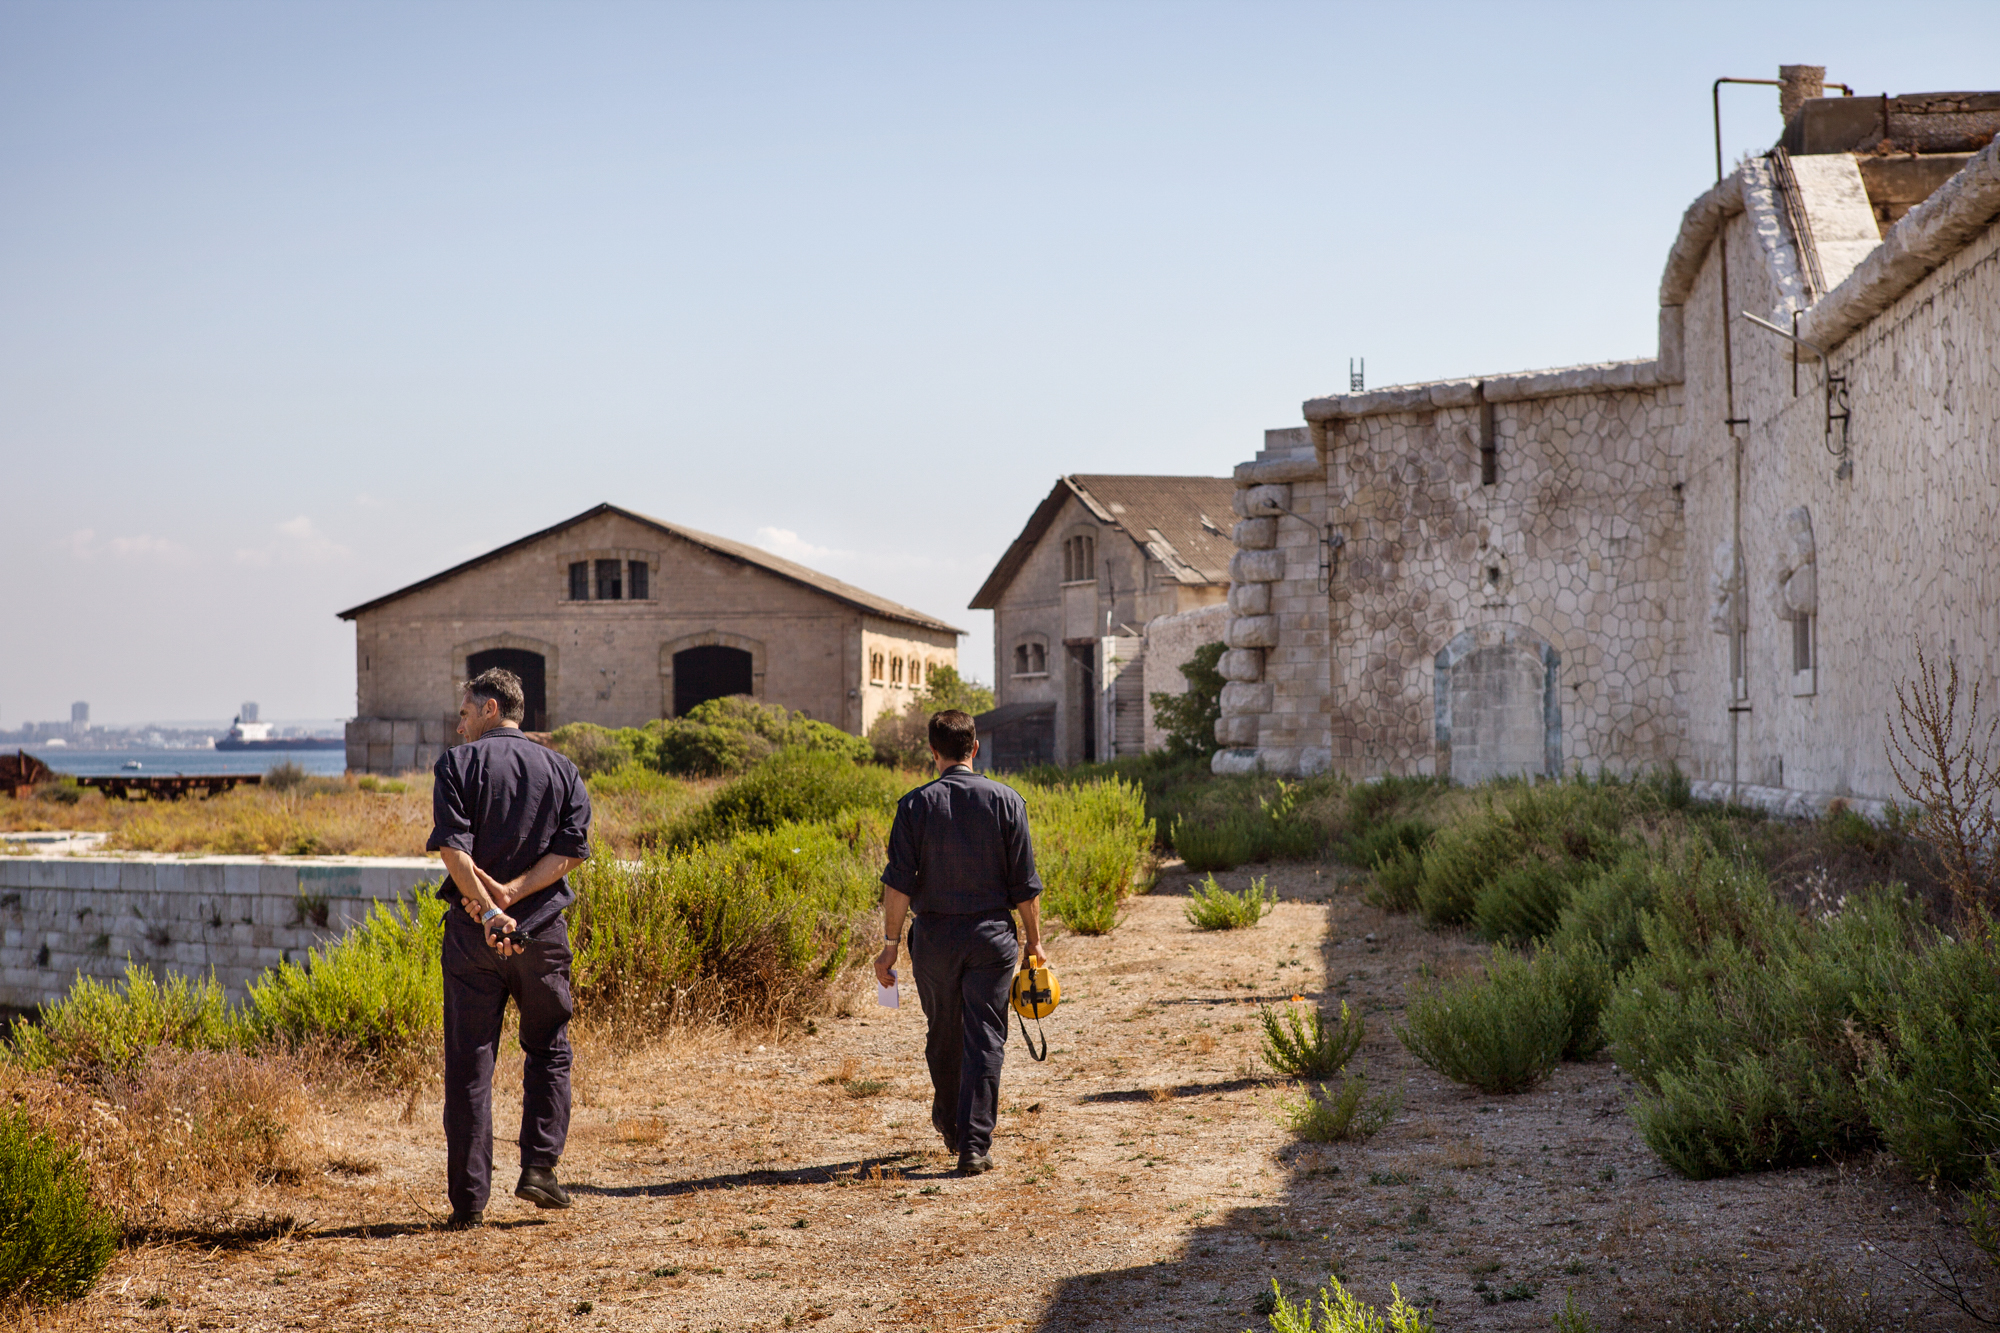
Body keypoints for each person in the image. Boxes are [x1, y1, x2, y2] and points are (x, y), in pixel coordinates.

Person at [426, 667, 592, 1229]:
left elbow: (453, 848)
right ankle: (540, 1169)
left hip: (474, 938)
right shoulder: (564, 770)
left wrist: (491, 907)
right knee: (548, 1047)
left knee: (470, 1063)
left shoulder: (456, 765)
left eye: (467, 712)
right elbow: (572, 851)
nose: (460, 723)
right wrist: (517, 896)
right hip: (543, 934)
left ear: (492, 708)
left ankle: (469, 1202)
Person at [874, 709, 1045, 1176]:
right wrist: (1034, 944)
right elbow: (1024, 887)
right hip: (991, 937)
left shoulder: (913, 805)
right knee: (986, 1036)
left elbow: (897, 886)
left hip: (933, 938)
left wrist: (889, 945)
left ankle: (951, 1125)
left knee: (943, 1032)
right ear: (975, 749)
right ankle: (974, 1144)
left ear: (933, 753)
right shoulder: (1008, 801)